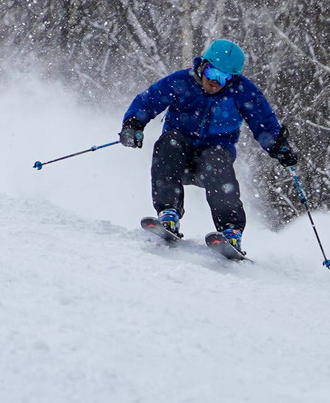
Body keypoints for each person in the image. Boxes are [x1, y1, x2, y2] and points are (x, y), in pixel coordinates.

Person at [119, 38, 298, 254]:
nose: (215, 82)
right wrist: (133, 124)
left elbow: (264, 123)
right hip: (180, 154)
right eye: (212, 74)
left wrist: (278, 147)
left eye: (223, 78)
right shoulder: (181, 82)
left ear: (232, 80)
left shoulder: (242, 92)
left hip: (213, 153)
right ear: (202, 66)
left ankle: (230, 232)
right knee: (169, 143)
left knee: (217, 161)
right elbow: (149, 100)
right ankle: (169, 214)